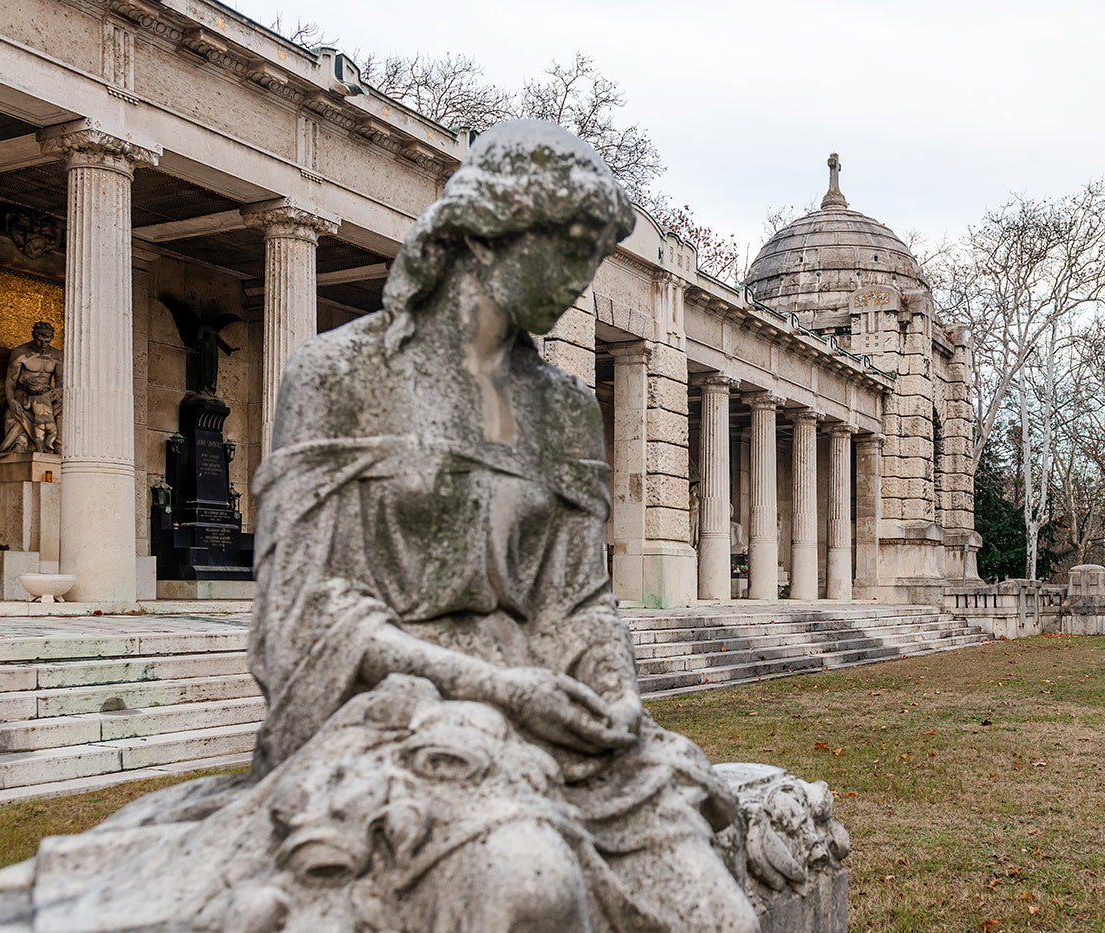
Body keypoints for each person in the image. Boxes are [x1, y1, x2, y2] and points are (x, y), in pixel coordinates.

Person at [244, 120, 757, 932]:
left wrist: (615, 688)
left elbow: (578, 599)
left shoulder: (563, 407)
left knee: (716, 912)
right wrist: (495, 684)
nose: (582, 276)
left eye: (595, 253)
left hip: (545, 712)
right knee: (528, 885)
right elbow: (299, 618)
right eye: (568, 245)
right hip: (394, 711)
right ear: (485, 233)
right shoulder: (339, 375)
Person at [0, 321, 62, 457]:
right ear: (33, 335)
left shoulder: (57, 356)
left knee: (68, 407)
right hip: (24, 394)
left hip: (48, 395)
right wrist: (11, 400)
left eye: (47, 341)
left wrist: (54, 395)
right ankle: (21, 444)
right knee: (15, 412)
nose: (43, 345)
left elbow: (60, 382)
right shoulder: (20, 353)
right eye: (40, 340)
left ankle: (58, 446)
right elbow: (11, 381)